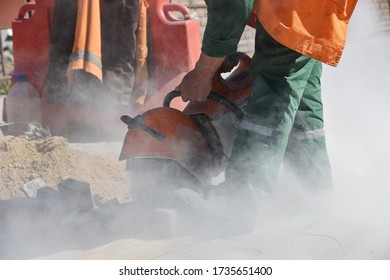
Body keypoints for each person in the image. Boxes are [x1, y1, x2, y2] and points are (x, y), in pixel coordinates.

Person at [175, 0, 358, 229]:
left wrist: (203, 72)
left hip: (295, 11)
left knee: (273, 95)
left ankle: (240, 200)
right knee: (302, 105)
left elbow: (233, 4)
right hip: (310, 10)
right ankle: (312, 192)